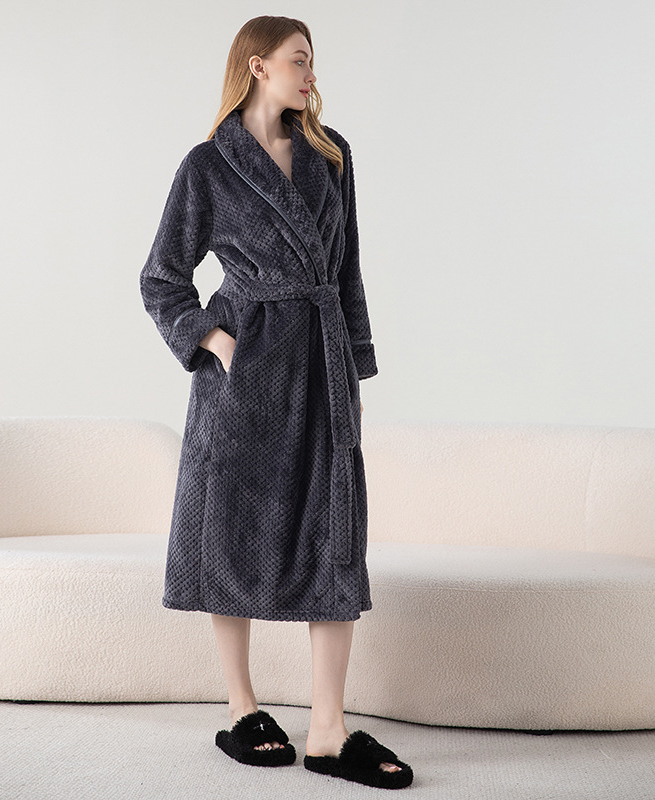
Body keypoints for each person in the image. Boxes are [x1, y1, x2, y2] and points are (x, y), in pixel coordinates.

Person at [139, 15, 413, 790]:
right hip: (243, 375)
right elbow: (161, 275)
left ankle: (328, 728)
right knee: (229, 528)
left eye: (312, 61)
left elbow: (347, 272)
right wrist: (214, 342)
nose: (311, 74)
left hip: (320, 365)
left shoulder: (331, 155)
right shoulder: (208, 166)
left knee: (335, 532)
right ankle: (241, 707)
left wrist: (353, 371)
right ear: (257, 67)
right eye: (299, 60)